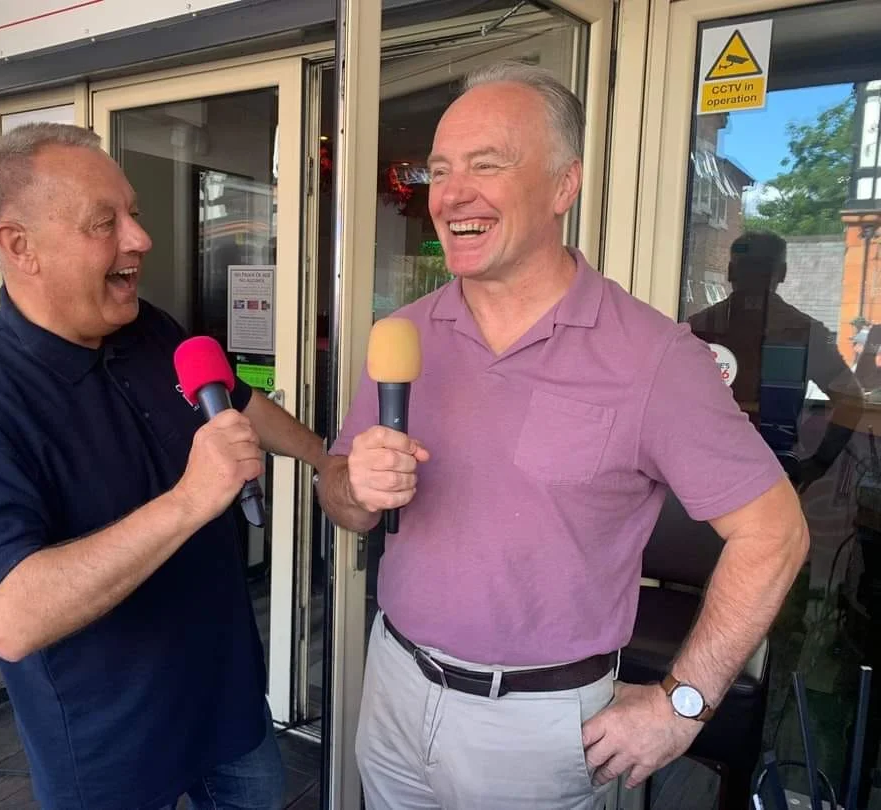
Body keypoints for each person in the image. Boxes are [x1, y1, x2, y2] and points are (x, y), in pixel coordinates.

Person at [315, 61, 809, 809]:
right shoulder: (404, 334)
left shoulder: (653, 356)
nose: (452, 193)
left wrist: (683, 703)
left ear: (562, 187)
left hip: (539, 729)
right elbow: (342, 493)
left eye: (489, 164)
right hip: (392, 684)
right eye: (441, 169)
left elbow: (775, 533)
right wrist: (352, 486)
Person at [0, 123, 327, 810]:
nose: (140, 238)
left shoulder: (151, 329)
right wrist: (190, 500)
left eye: (131, 213)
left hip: (229, 711)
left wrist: (326, 460)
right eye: (105, 222)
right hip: (113, 760)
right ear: (21, 247)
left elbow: (239, 401)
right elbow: (8, 619)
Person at [688, 231, 863, 492]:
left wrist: (818, 463)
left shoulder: (804, 333)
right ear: (782, 272)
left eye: (760, 269)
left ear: (728, 272)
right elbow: (851, 400)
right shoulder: (698, 329)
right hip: (702, 471)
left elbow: (850, 400)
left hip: (770, 474)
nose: (754, 278)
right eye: (749, 268)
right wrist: (817, 464)